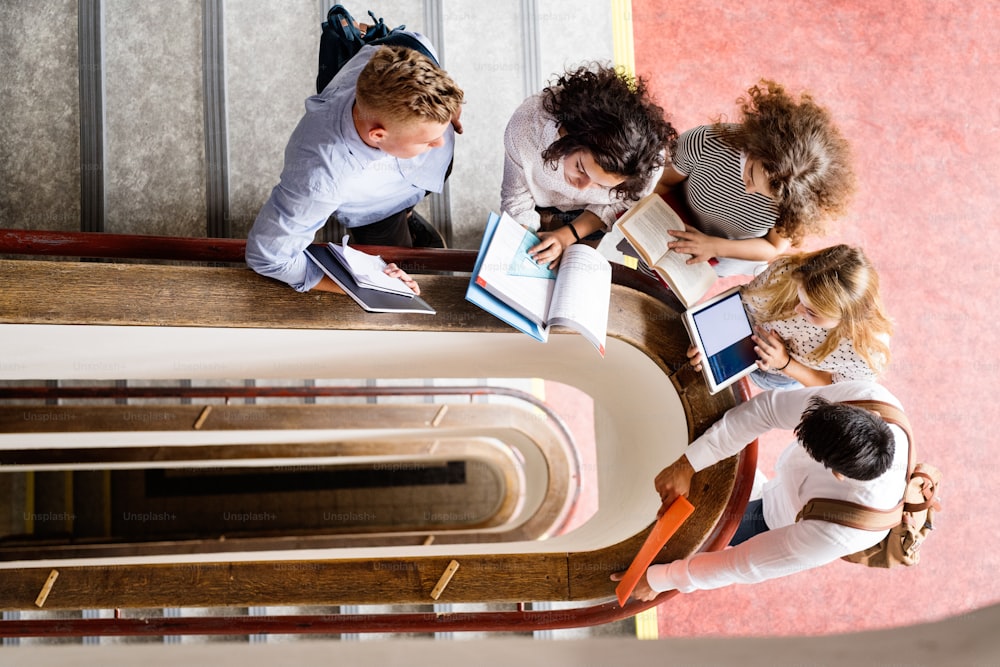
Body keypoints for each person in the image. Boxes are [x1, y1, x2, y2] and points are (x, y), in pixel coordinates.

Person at [612, 381, 907, 598]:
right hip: (778, 485)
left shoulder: (837, 534)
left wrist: (660, 579)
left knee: (700, 534)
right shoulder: (869, 398)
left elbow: (743, 564)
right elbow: (769, 410)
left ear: (837, 475)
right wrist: (686, 464)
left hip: (772, 518)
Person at [246, 34, 464, 294]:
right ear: (378, 135)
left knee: (426, 184)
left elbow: (415, 41)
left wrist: (450, 107)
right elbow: (269, 257)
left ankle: (407, 213)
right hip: (377, 212)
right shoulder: (321, 179)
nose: (441, 143)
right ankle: (401, 220)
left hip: (414, 178)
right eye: (428, 140)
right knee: (393, 250)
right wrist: (359, 285)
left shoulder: (396, 57)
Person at [657, 80, 855, 277]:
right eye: (751, 173)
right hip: (669, 226)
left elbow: (773, 247)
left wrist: (714, 247)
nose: (749, 190)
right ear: (756, 144)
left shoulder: (794, 199)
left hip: (722, 256)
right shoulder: (704, 143)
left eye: (767, 195)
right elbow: (664, 183)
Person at [501, 64, 678, 268]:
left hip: (593, 217)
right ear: (569, 136)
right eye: (581, 168)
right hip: (539, 201)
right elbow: (517, 198)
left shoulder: (646, 168)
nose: (582, 187)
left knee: (572, 267)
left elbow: (620, 204)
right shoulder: (527, 128)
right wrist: (527, 250)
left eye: (603, 186)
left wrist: (569, 235)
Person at [688, 245, 893, 389]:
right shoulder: (787, 271)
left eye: (812, 312)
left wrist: (785, 364)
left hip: (780, 375)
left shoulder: (867, 353)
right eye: (799, 295)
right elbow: (744, 301)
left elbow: (836, 389)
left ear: (848, 319)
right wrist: (710, 338)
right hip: (742, 332)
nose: (797, 310)